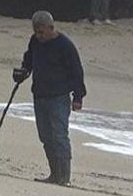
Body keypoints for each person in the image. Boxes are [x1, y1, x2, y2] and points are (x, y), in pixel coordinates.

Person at [13, 11, 86, 186]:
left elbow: (77, 71)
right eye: (36, 32)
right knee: (45, 136)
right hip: (39, 95)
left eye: (41, 32)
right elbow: (29, 59)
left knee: (59, 136)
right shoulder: (34, 41)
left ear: (51, 28)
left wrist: (78, 97)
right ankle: (54, 174)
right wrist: (23, 71)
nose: (38, 36)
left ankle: (64, 178)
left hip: (59, 97)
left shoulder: (65, 46)